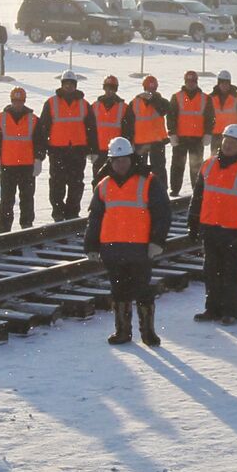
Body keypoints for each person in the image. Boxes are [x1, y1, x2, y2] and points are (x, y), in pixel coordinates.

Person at [85, 136, 172, 346]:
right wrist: (91, 245)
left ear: (132, 159)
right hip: (112, 249)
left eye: (124, 159)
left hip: (140, 249)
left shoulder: (149, 182)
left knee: (143, 291)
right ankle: (122, 332)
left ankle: (147, 333)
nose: (120, 164)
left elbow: (163, 213)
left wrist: (156, 241)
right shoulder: (103, 185)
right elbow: (95, 217)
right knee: (119, 292)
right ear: (110, 161)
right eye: (116, 160)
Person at [187, 123, 237, 324]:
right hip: (210, 227)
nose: (228, 145)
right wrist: (193, 221)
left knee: (233, 273)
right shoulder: (208, 165)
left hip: (234, 230)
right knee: (212, 271)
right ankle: (212, 309)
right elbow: (198, 197)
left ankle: (231, 312)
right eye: (226, 141)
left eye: (233, 143)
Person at [37, 71, 96, 220]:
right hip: (57, 150)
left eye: (71, 84)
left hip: (78, 150)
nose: (69, 87)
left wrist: (93, 149)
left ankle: (72, 212)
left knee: (76, 183)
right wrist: (42, 151)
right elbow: (43, 128)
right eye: (66, 84)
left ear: (75, 85)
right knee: (57, 183)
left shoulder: (84, 104)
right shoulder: (51, 103)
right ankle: (58, 212)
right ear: (62, 84)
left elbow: (92, 128)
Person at [0, 86, 45, 233]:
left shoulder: (34, 120)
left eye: (20, 101)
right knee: (6, 198)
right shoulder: (0, 119)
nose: (17, 103)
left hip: (27, 166)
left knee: (27, 197)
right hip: (8, 166)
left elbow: (40, 141)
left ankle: (26, 224)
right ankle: (4, 225)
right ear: (11, 100)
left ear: (24, 101)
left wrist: (38, 159)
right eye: (15, 100)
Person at [168, 70, 212, 197]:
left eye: (193, 81)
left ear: (196, 82)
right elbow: (171, 117)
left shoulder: (205, 98)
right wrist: (172, 133)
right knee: (177, 165)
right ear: (185, 81)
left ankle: (197, 190)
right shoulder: (176, 97)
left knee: (197, 166)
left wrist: (208, 133)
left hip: (197, 139)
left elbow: (210, 118)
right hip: (180, 138)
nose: (190, 84)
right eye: (188, 81)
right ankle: (175, 190)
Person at [90, 74, 133, 179]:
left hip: (117, 152)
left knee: (117, 179)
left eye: (112, 88)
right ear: (104, 88)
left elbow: (129, 131)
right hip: (98, 150)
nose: (109, 90)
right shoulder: (94, 106)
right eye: (107, 87)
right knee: (98, 180)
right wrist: (91, 149)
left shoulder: (124, 108)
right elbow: (90, 129)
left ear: (116, 89)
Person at [130, 75, 170, 188]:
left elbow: (165, 109)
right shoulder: (135, 102)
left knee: (159, 170)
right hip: (140, 142)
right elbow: (129, 123)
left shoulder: (161, 101)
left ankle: (161, 193)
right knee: (139, 171)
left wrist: (153, 99)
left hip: (157, 142)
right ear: (144, 87)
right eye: (148, 88)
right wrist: (130, 141)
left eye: (153, 88)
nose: (150, 91)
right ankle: (139, 193)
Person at [207, 70, 237, 157]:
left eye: (226, 83)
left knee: (233, 158)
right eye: (222, 83)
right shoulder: (211, 97)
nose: (224, 85)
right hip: (216, 134)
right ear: (218, 83)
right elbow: (206, 116)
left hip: (233, 135)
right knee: (215, 159)